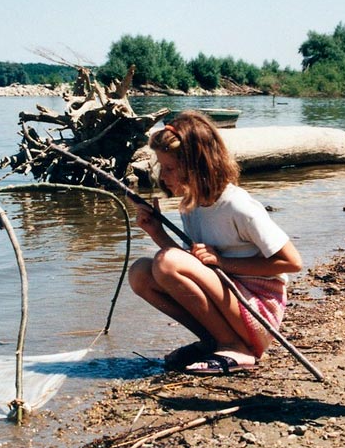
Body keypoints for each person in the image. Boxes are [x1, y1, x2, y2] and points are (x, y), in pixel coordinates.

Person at [129, 111, 302, 375]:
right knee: (141, 272)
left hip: (258, 312)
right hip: (231, 303)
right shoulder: (192, 206)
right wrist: (157, 232)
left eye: (170, 168)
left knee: (166, 262)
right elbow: (192, 265)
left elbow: (291, 262)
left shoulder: (237, 205)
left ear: (197, 165)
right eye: (161, 168)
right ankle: (213, 341)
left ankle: (235, 347)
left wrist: (222, 262)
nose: (162, 177)